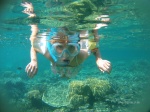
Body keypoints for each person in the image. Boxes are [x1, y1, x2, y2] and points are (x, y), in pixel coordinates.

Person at [21, 2, 111, 78]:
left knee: (36, 27)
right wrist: (99, 59)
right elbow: (94, 47)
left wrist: (34, 61)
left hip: (66, 64)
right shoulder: (79, 58)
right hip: (69, 63)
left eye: (71, 47)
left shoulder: (51, 55)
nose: (65, 55)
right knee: (90, 25)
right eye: (59, 47)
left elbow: (34, 46)